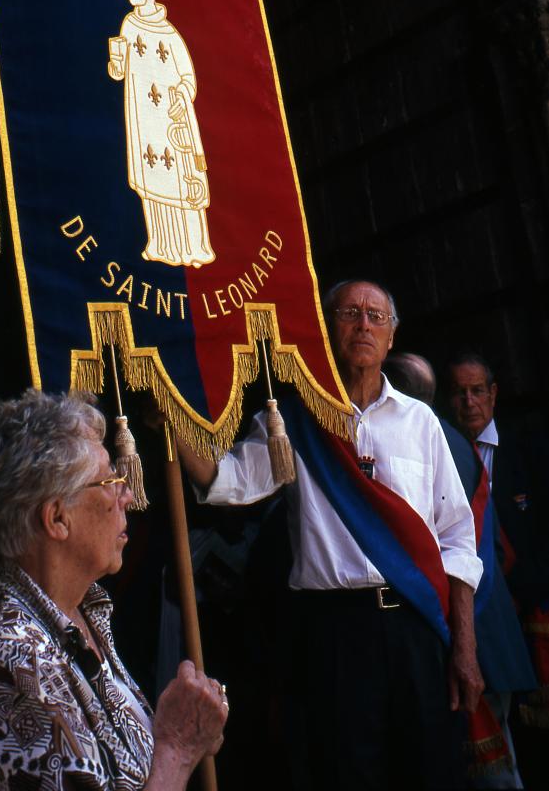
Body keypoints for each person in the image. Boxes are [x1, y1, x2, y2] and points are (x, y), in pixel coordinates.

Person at [178, 279, 484, 790]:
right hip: (333, 634)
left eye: (376, 316)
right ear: (325, 328)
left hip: (414, 628)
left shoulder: (421, 423)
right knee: (346, 773)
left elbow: (457, 539)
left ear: (391, 338)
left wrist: (465, 647)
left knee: (431, 770)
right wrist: (171, 417)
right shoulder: (292, 422)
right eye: (350, 312)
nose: (363, 324)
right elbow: (224, 482)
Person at [0, 389, 228, 790]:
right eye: (110, 481)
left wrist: (188, 732)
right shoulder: (5, 659)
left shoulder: (81, 612)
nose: (129, 496)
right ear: (57, 518)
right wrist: (177, 749)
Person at [384, 352, 536, 789]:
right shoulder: (456, 444)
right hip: (485, 628)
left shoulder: (428, 444)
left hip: (467, 631)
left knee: (490, 773)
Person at [447, 351, 549, 787]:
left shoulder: (527, 450)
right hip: (483, 620)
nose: (469, 401)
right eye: (459, 393)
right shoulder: (445, 455)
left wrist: (519, 590)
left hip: (533, 610)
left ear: (493, 394)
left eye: (477, 391)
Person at [108, 0, 214, 269]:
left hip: (170, 118)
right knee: (152, 183)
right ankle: (159, 243)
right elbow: (120, 71)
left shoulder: (169, 33)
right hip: (143, 119)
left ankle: (193, 247)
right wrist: (115, 62)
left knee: (182, 182)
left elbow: (187, 75)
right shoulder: (129, 24)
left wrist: (181, 93)